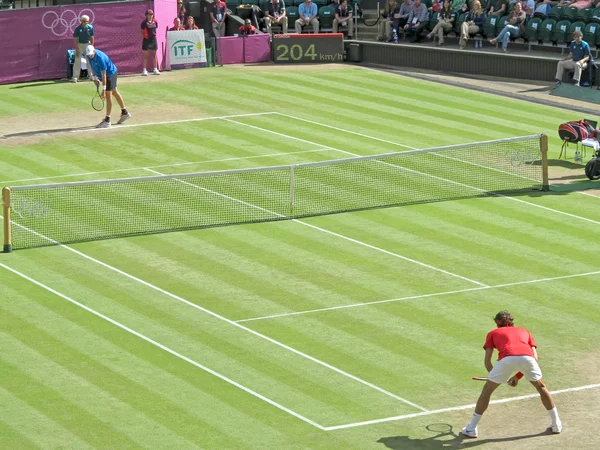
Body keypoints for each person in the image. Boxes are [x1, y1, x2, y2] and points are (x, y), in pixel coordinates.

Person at [461, 311, 561, 439]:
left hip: (506, 359)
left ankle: (471, 429)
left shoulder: (492, 333)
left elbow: (487, 362)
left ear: (497, 323)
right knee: (541, 387)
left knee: (487, 390)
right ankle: (556, 424)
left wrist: (495, 378)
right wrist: (517, 376)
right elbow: (534, 357)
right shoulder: (525, 331)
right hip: (528, 359)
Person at [85, 45, 131, 129]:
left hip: (110, 74)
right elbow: (92, 67)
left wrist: (103, 90)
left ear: (94, 51)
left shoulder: (100, 58)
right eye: (89, 55)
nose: (90, 56)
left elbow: (104, 75)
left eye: (91, 54)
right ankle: (125, 112)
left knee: (108, 95)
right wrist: (94, 78)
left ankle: (107, 120)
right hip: (106, 75)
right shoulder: (89, 56)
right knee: (114, 92)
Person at [72, 15, 94, 83]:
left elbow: (92, 37)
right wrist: (77, 49)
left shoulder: (90, 27)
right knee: (77, 62)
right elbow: (75, 39)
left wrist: (91, 47)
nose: (86, 23)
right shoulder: (77, 28)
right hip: (80, 45)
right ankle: (75, 77)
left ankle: (92, 76)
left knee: (89, 61)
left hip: (88, 44)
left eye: (87, 21)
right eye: (84, 21)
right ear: (81, 21)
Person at [141, 9, 160, 75]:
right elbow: (141, 31)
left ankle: (155, 69)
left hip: (153, 39)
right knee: (145, 55)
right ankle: (144, 70)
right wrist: (146, 36)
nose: (151, 16)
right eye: (149, 14)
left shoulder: (155, 21)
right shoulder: (144, 23)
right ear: (146, 15)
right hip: (146, 40)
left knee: (154, 55)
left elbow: (155, 29)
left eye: (152, 14)